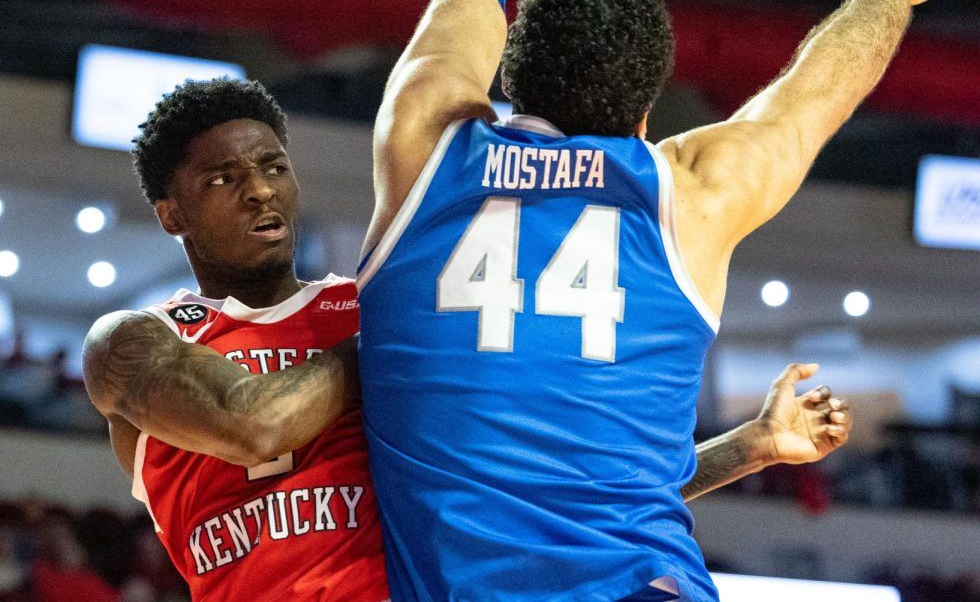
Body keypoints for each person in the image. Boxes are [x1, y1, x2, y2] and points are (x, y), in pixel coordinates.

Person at [355, 0, 980, 602]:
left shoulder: (427, 142)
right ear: (652, 110)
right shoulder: (692, 191)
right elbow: (816, 93)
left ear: (509, 76)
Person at [82, 78, 854, 600]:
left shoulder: (367, 301)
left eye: (273, 166)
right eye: (222, 178)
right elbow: (254, 424)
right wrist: (411, 333)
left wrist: (754, 446)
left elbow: (556, 492)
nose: (258, 188)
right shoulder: (136, 342)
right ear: (170, 213)